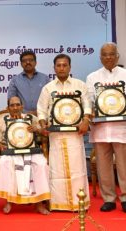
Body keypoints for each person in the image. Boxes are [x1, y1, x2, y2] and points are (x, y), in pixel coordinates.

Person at [37, 54, 91, 211]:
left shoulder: (79, 85)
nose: (61, 68)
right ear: (54, 68)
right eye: (58, 65)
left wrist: (86, 120)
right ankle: (59, 203)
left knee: (77, 168)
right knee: (57, 169)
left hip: (75, 134)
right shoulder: (48, 88)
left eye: (64, 65)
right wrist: (42, 124)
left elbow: (87, 104)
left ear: (70, 67)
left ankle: (78, 202)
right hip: (56, 135)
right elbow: (41, 109)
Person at [86, 42, 126, 213]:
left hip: (121, 128)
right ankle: (109, 198)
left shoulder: (125, 75)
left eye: (111, 54)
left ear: (117, 56)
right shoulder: (92, 77)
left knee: (124, 165)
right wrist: (90, 113)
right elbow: (88, 101)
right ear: (100, 57)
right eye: (105, 54)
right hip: (100, 129)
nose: (108, 57)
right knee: (103, 166)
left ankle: (125, 198)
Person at [0, 96, 50, 215]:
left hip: (31, 151)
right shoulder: (0, 120)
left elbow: (45, 131)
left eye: (17, 105)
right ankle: (9, 201)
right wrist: (0, 146)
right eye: (12, 105)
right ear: (8, 107)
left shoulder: (30, 118)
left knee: (41, 164)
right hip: (10, 153)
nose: (15, 108)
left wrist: (36, 129)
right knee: (5, 163)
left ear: (22, 106)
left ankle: (39, 203)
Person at [7, 50, 50, 115]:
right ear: (21, 64)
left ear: (35, 62)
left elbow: (49, 99)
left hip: (42, 116)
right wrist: (24, 113)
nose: (27, 62)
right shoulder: (15, 80)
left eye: (31, 60)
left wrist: (38, 112)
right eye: (24, 61)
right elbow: (12, 101)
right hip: (22, 118)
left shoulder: (45, 79)